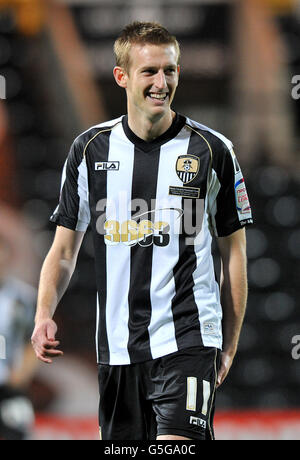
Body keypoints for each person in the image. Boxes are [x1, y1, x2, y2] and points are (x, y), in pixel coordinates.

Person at [31, 21, 253, 441]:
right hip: (116, 348)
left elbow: (235, 251)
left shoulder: (212, 150)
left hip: (188, 337)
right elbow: (63, 251)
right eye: (149, 71)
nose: (161, 82)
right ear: (122, 76)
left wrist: (228, 339)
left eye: (169, 70)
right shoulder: (89, 150)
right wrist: (44, 312)